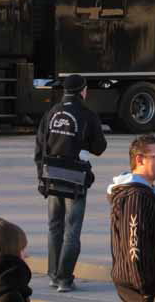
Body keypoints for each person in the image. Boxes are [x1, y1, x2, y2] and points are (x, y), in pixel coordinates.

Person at [34, 73, 107, 292]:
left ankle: (53, 275)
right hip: (75, 179)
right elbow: (99, 147)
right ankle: (65, 279)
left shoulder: (51, 112)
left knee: (54, 226)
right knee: (72, 231)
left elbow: (40, 147)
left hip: (52, 175)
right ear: (82, 91)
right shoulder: (87, 114)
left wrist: (41, 176)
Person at [108, 134, 155, 302]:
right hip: (139, 288)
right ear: (139, 160)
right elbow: (133, 243)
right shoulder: (136, 196)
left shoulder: (147, 192)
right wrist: (143, 287)